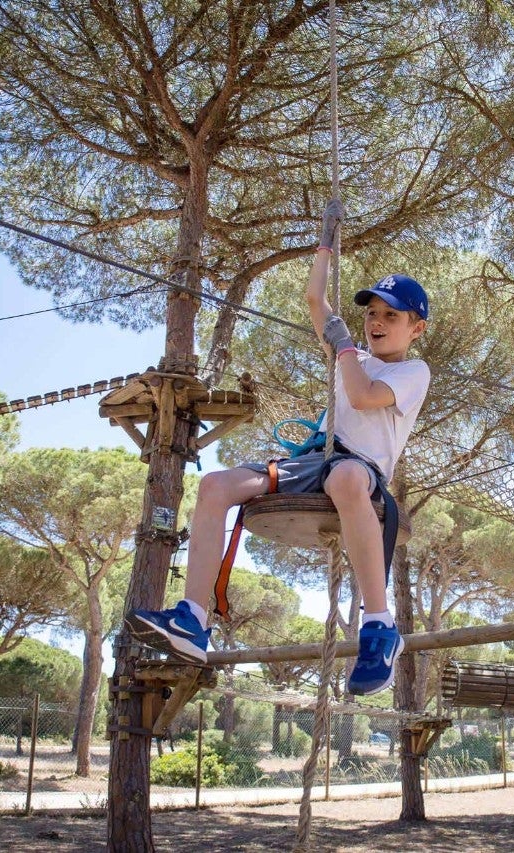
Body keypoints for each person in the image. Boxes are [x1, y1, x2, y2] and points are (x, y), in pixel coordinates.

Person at [126, 199, 431, 695]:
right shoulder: (352, 354)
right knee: (216, 485)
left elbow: (361, 396)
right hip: (316, 460)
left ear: (415, 328)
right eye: (372, 312)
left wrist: (344, 347)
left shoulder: (411, 372)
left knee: (347, 477)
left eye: (391, 315)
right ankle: (193, 619)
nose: (377, 320)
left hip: (360, 466)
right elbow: (316, 300)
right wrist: (326, 242)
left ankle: (380, 625)